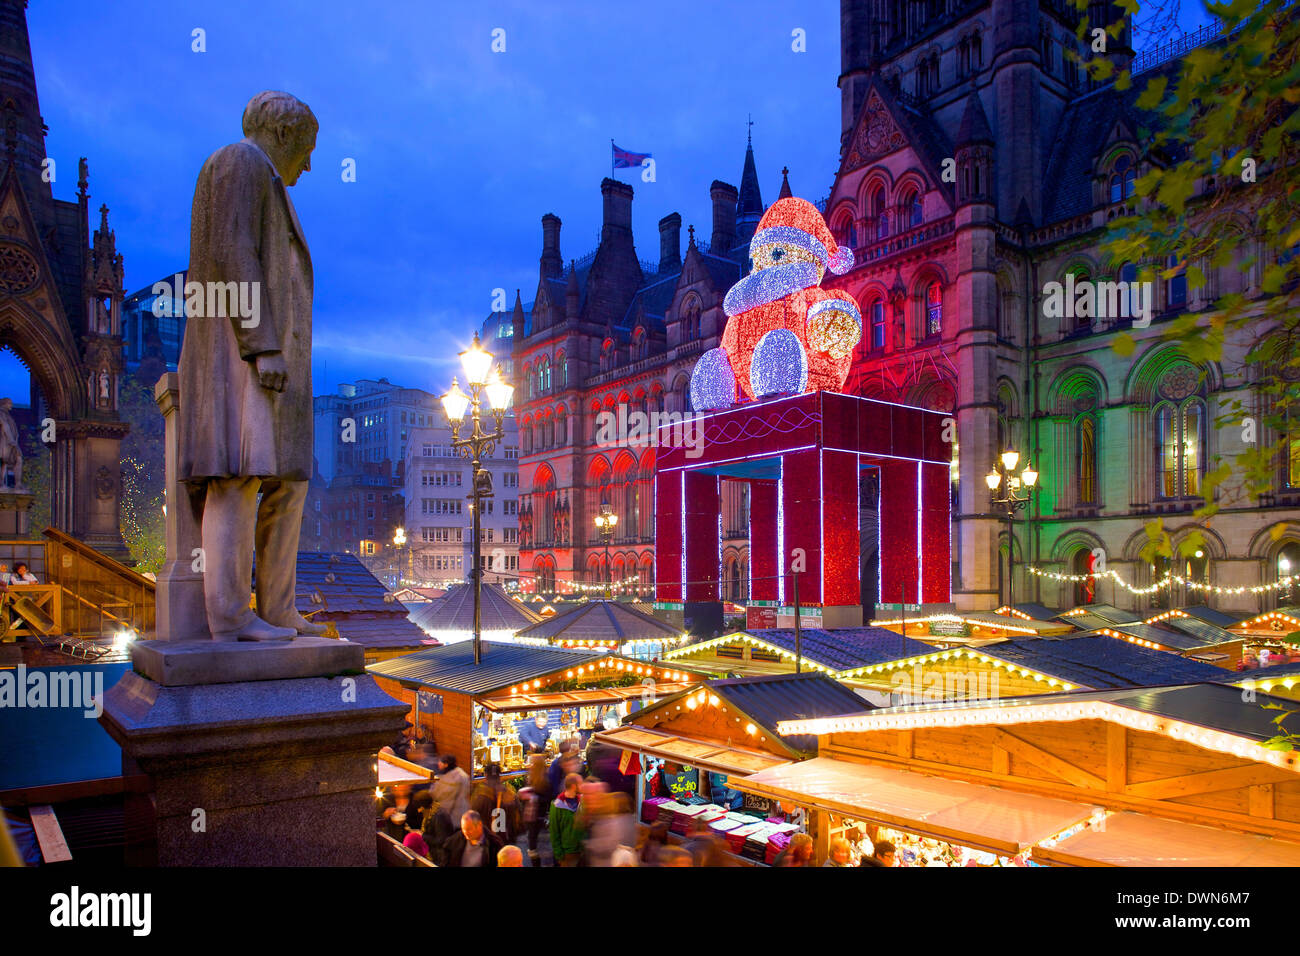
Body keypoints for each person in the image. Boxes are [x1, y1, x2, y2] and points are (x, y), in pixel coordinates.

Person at [178, 90, 326, 642]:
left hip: (278, 367)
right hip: (242, 355)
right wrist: (261, 343)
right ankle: (231, 616)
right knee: (237, 477)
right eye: (307, 149)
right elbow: (232, 249)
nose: (308, 164)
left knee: (290, 479)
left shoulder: (266, 178)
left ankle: (278, 609)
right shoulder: (238, 162)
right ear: (283, 134)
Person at [470, 763, 521, 846]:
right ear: (499, 776)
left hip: (486, 839)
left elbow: (473, 816)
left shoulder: (480, 794)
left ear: (486, 775)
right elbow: (517, 816)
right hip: (505, 839)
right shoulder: (509, 793)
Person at [517, 754, 551, 867]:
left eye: (532, 763)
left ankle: (536, 862)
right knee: (532, 841)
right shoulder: (531, 778)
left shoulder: (544, 781)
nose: (529, 765)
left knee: (533, 842)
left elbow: (547, 799)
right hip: (530, 814)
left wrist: (532, 797)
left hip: (536, 816)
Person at [548, 772, 584, 867]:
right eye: (580, 783)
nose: (583, 786)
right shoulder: (557, 806)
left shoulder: (582, 801)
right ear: (573, 786)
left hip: (582, 850)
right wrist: (559, 855)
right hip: (568, 853)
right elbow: (554, 832)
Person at [432, 754, 470, 828]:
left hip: (452, 814)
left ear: (446, 764)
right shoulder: (463, 775)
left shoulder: (446, 779)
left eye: (440, 762)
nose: (438, 764)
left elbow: (436, 794)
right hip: (463, 810)